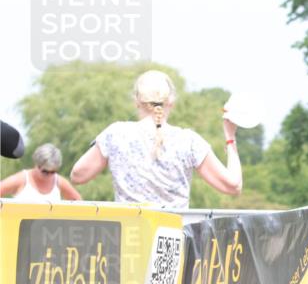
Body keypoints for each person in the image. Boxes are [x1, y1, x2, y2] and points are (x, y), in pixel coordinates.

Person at [70, 70, 243, 207]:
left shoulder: (115, 134)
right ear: (171, 101)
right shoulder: (189, 141)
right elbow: (233, 186)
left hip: (128, 235)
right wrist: (230, 137)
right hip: (174, 235)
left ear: (137, 101)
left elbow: (78, 175)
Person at [0, 143, 81, 202]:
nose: (49, 175)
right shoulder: (21, 179)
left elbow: (79, 204)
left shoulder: (58, 181)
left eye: (53, 172)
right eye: (45, 171)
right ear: (36, 164)